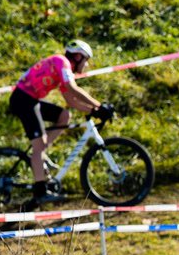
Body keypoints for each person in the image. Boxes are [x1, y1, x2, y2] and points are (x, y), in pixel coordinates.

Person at [9, 40, 108, 209]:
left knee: (64, 115)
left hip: (30, 99)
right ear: (78, 57)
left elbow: (71, 101)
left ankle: (40, 155)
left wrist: (94, 111)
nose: (86, 65)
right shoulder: (61, 62)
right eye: (86, 60)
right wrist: (99, 105)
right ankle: (40, 191)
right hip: (23, 100)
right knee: (38, 147)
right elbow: (72, 88)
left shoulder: (62, 70)